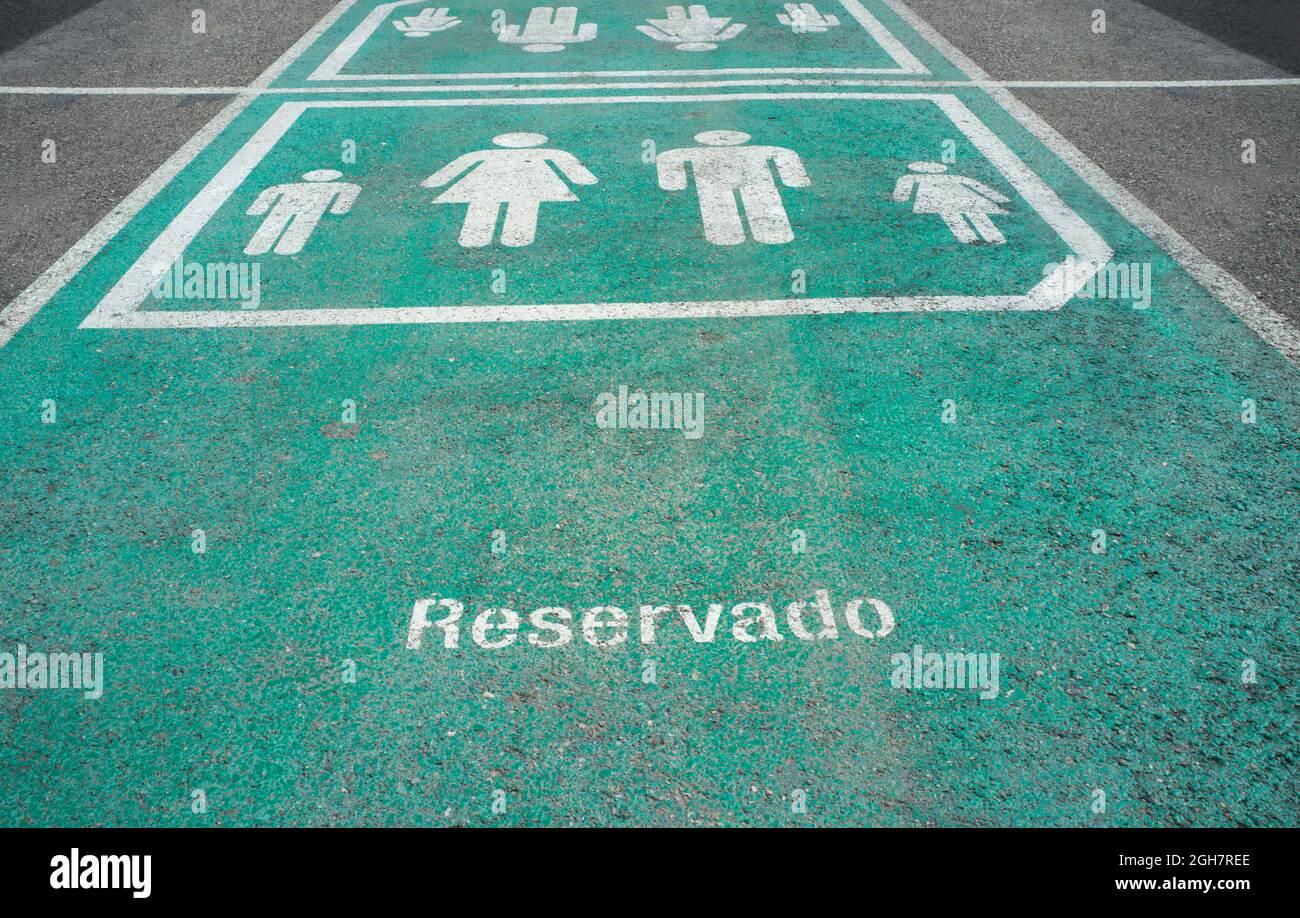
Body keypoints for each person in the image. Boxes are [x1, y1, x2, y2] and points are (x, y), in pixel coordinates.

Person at [422, 132, 598, 248]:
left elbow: (456, 167)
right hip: (531, 184)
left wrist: (435, 181)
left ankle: (476, 239)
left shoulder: (485, 154)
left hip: (487, 184)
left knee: (485, 206)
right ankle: (516, 238)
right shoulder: (547, 152)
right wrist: (583, 178)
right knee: (522, 206)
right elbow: (574, 169)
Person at [656, 130, 810, 245]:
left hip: (714, 185)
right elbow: (793, 173)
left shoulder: (689, 152)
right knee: (764, 208)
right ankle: (773, 234)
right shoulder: (762, 150)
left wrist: (673, 182)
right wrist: (794, 178)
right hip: (753, 184)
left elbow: (670, 172)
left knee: (718, 209)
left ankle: (728, 236)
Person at [244, 169, 360, 256]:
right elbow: (348, 194)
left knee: (273, 225)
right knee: (298, 227)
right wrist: (338, 209)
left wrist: (257, 209)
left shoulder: (288, 186)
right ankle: (287, 247)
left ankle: (259, 247)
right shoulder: (337, 186)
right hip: (306, 211)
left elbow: (270, 192)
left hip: (284, 209)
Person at [892, 161, 1011, 244]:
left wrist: (901, 198)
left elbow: (902, 190)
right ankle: (992, 237)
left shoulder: (914, 177)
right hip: (964, 199)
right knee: (977, 216)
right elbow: (976, 185)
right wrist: (999, 198)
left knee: (953, 217)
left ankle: (967, 237)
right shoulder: (955, 177)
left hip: (934, 201)